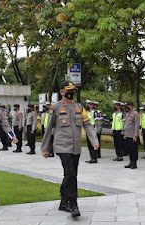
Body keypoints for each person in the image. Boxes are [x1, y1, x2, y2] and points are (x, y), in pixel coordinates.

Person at [40, 80, 99, 217]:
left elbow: (88, 125)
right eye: (68, 91)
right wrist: (45, 148)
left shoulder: (79, 107)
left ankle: (63, 200)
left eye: (73, 91)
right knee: (71, 173)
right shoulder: (55, 108)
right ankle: (73, 204)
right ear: (62, 92)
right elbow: (48, 129)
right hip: (62, 146)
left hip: (76, 147)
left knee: (71, 175)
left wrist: (94, 140)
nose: (71, 93)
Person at [123, 101, 140, 169]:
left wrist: (135, 135)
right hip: (127, 134)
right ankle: (130, 162)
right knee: (129, 150)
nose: (126, 107)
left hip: (132, 135)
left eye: (127, 106)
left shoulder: (135, 114)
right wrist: (125, 134)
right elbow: (126, 124)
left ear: (131, 106)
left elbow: (136, 125)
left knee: (133, 150)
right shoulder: (127, 114)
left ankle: (134, 163)